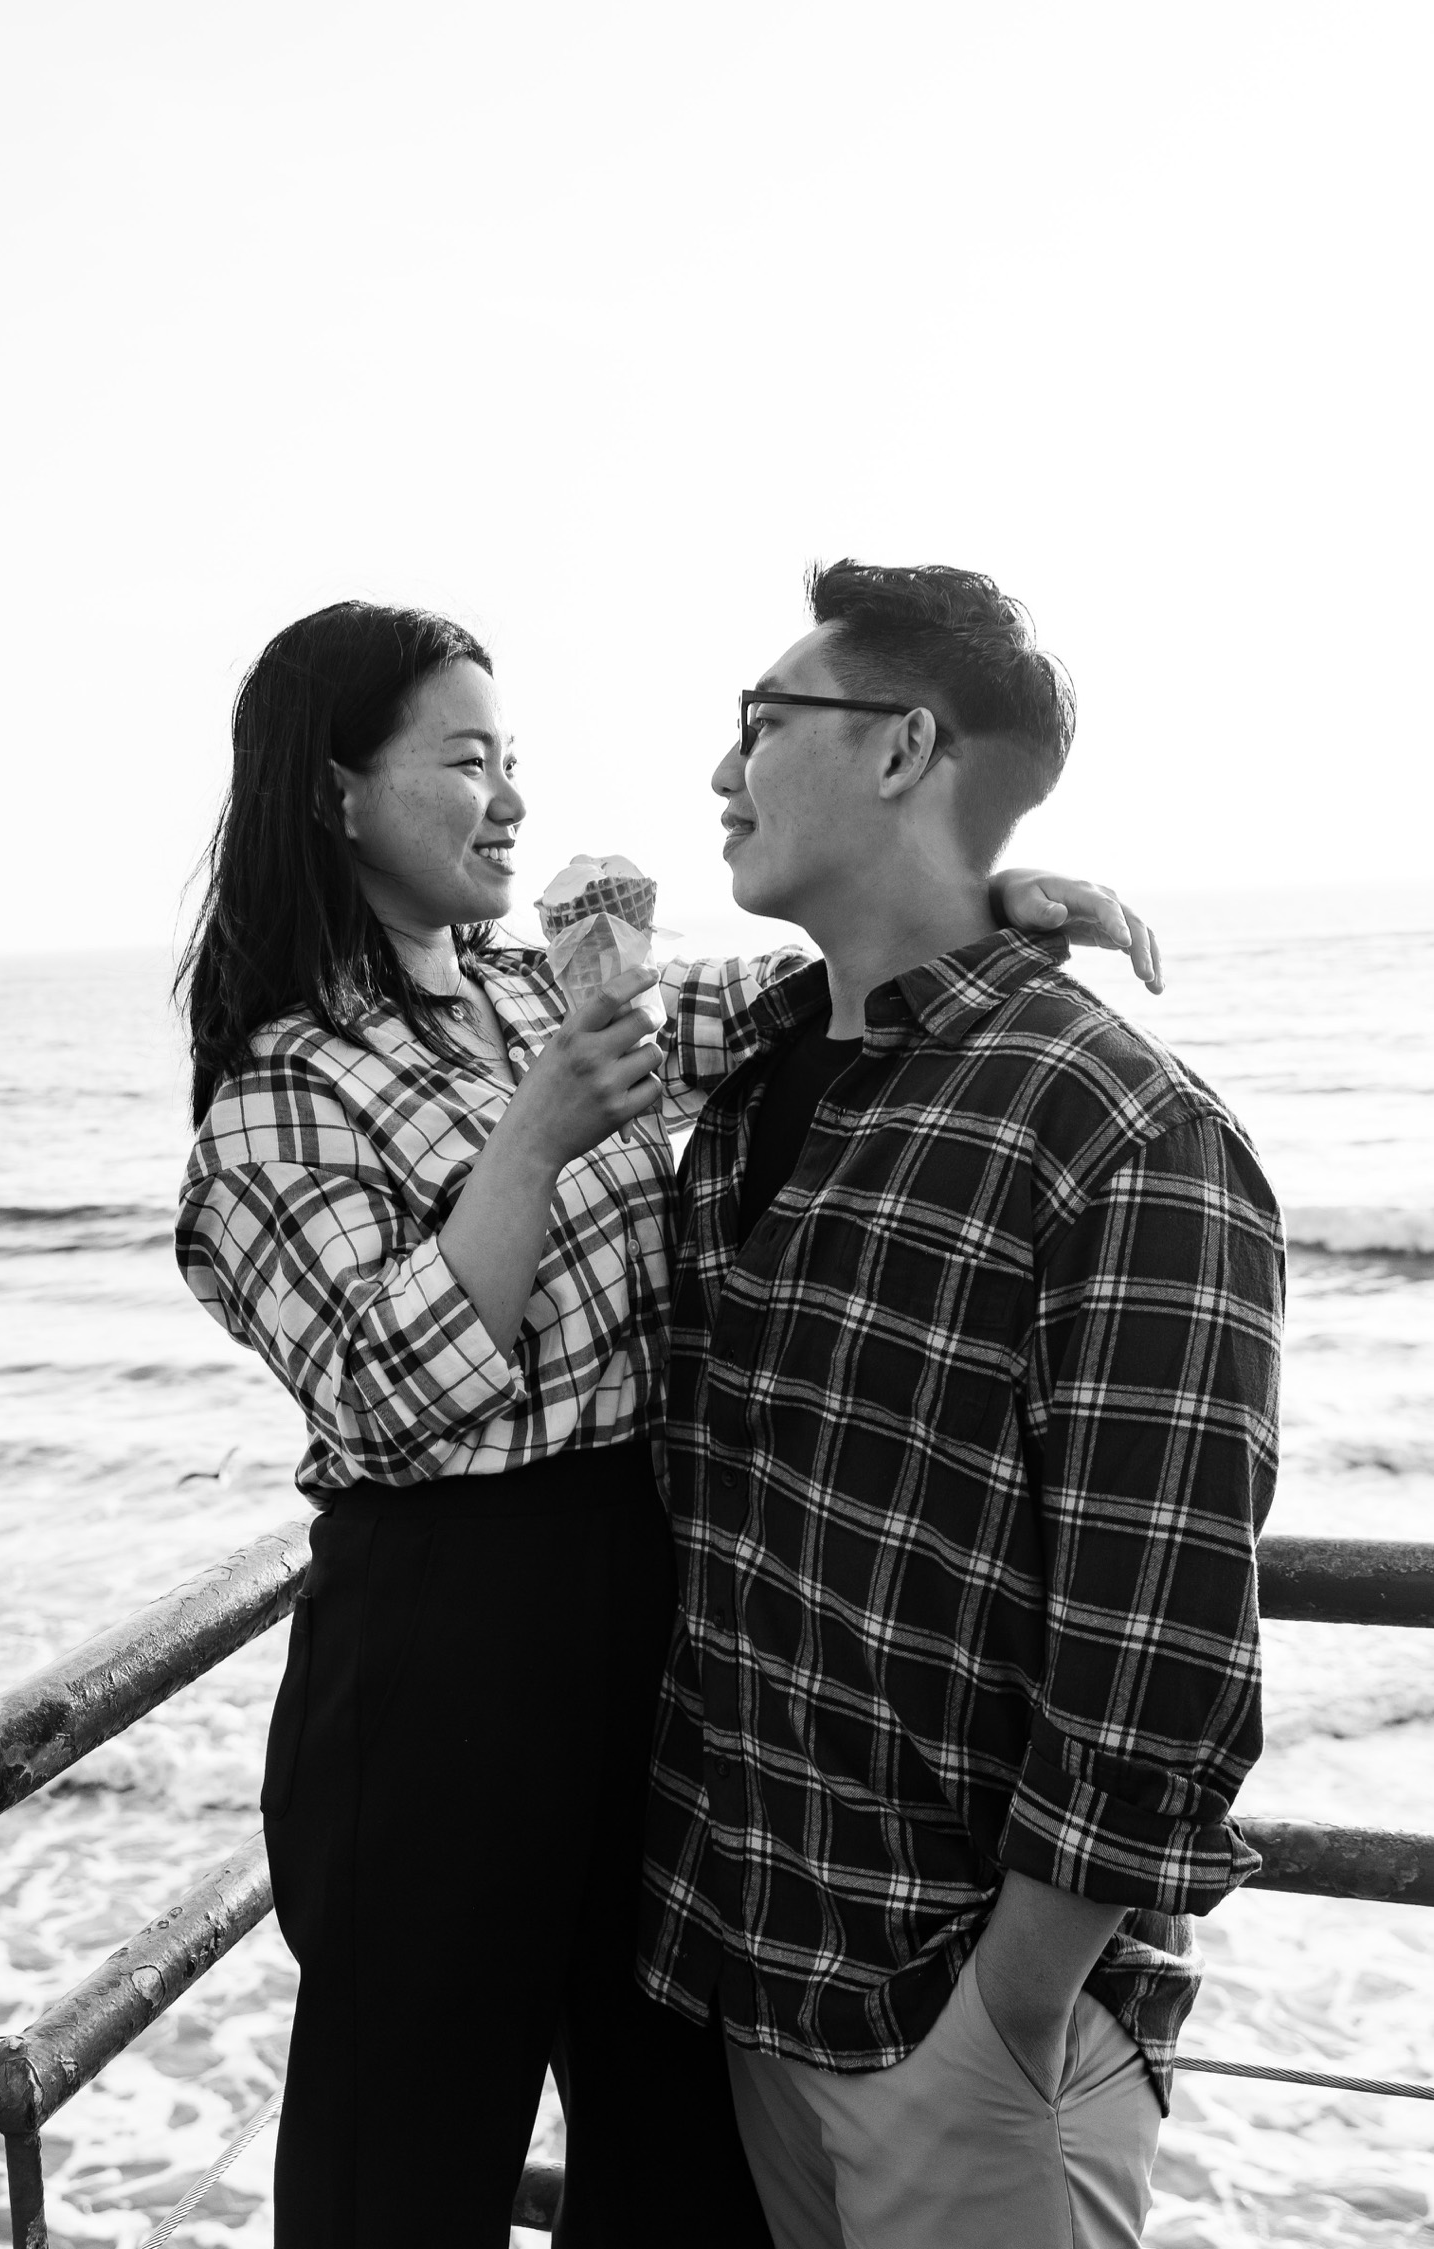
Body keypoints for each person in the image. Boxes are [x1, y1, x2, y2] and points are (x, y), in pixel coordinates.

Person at [173, 597, 1160, 2246]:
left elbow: (789, 1002)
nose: (510, 802)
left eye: (515, 763)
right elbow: (384, 1396)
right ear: (336, 792)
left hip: (651, 1619)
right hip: (439, 1653)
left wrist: (973, 897)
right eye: (467, 761)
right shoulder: (279, 1090)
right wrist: (534, 1140)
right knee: (400, 2160)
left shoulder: (543, 993)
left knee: (673, 2148)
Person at [639, 560, 1285, 2249]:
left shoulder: (1120, 1128)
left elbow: (1156, 1646)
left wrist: (1003, 2015)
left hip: (961, 2024)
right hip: (754, 1968)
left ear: (905, 746)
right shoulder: (765, 1075)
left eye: (762, 725)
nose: (722, 772)